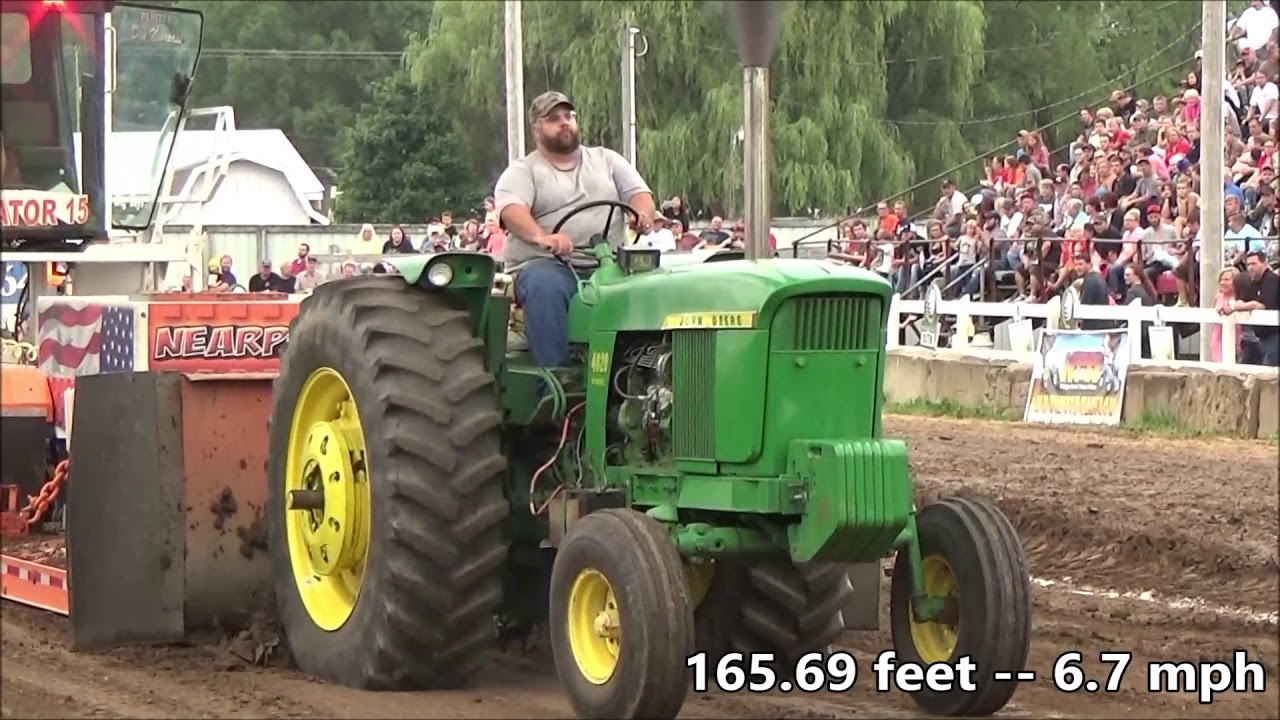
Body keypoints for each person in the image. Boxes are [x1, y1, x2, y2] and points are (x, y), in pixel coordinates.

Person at [493, 90, 656, 369]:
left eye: (568, 116)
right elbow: (512, 210)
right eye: (554, 118)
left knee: (654, 283)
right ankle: (556, 376)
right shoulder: (524, 170)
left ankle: (646, 367)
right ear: (537, 128)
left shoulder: (607, 160)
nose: (564, 123)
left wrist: (642, 213)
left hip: (608, 264)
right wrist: (543, 237)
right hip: (547, 264)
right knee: (546, 286)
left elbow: (640, 194)